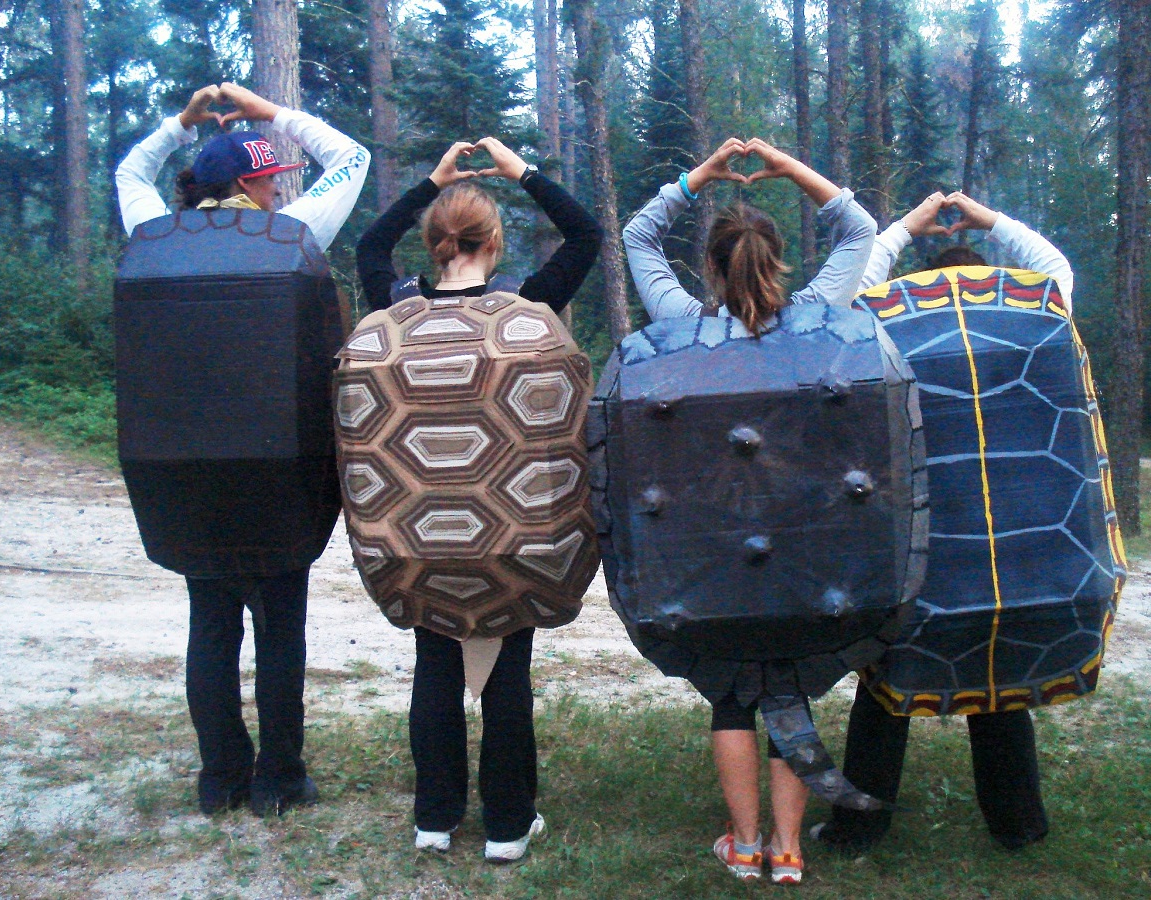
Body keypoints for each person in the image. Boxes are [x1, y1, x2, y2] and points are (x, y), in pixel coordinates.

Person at [622, 137, 877, 884]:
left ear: (710, 265)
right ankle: (790, 851)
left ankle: (744, 842)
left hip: (711, 534)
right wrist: (791, 166)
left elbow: (638, 235)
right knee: (788, 681)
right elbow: (859, 230)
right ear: (778, 262)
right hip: (803, 535)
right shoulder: (817, 317)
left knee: (734, 691)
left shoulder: (680, 324)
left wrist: (697, 175)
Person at [115, 83, 370, 817]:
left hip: (179, 470)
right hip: (278, 470)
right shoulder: (292, 233)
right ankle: (279, 781)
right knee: (280, 628)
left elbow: (130, 175)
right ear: (256, 182)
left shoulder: (151, 235)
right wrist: (272, 111)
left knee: (211, 623)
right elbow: (349, 159)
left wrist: (177, 124)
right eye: (269, 176)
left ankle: (219, 777)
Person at [355, 138, 600, 861]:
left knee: (436, 662)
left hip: (416, 531)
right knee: (506, 669)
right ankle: (506, 824)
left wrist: (429, 180)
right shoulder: (525, 309)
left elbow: (370, 243)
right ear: (493, 243)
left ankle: (434, 817)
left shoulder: (396, 310)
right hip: (512, 530)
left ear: (432, 246)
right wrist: (523, 170)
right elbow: (586, 233)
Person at [811, 190, 1070, 853]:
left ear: (925, 288)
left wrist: (901, 229)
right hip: (1001, 539)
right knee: (997, 677)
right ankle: (1020, 825)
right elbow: (1056, 271)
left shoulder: (895, 330)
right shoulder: (1027, 324)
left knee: (887, 683)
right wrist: (992, 218)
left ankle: (858, 830)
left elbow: (849, 300)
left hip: (918, 540)